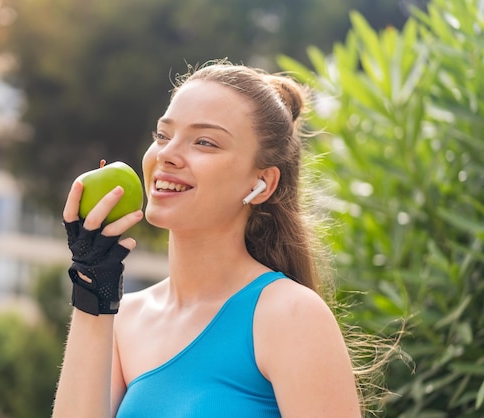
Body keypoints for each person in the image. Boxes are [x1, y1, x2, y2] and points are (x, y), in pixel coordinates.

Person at [53, 60, 364, 417]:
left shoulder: (290, 314)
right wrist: (93, 290)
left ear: (262, 183)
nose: (167, 154)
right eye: (163, 135)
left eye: (204, 142)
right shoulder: (127, 318)